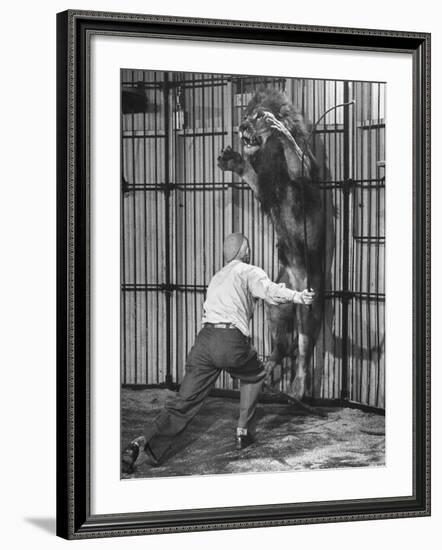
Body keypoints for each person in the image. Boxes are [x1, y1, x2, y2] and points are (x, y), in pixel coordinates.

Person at [122, 233, 316, 474]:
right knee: (254, 375)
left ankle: (139, 445)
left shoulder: (217, 277)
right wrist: (298, 296)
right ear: (245, 250)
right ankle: (243, 432)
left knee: (183, 402)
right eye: (249, 248)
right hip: (230, 342)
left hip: (204, 343)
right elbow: (269, 291)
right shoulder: (248, 270)